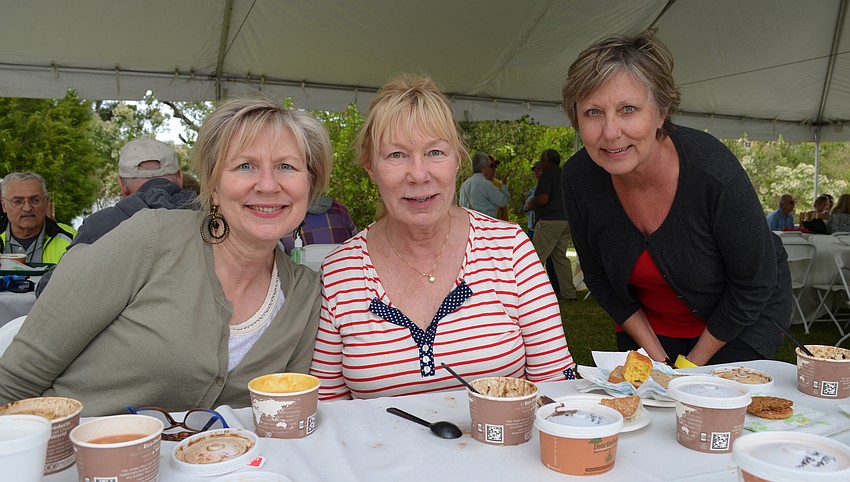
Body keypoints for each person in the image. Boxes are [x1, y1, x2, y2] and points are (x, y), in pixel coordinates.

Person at [0, 99, 333, 416]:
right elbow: (17, 377)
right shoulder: (152, 238)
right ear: (214, 186)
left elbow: (284, 417)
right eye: (245, 166)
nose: (267, 185)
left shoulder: (305, 294)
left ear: (309, 185)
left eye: (286, 167)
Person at [310, 74, 575, 401]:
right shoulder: (340, 272)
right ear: (370, 166)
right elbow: (326, 410)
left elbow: (557, 390)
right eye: (396, 155)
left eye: (435, 152)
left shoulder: (510, 249)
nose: (419, 174)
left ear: (457, 159)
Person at [561, 30, 791, 366]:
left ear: (661, 111)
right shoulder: (578, 179)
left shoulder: (713, 172)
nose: (610, 132)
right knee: (646, 410)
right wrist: (655, 357)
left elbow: (754, 284)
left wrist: (687, 370)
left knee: (709, 412)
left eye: (628, 109)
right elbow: (598, 278)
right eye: (593, 113)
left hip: (739, 320)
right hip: (647, 327)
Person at [35, 138, 197, 297]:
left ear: (121, 184)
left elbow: (48, 290)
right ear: (180, 177)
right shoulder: (213, 218)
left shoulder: (99, 226)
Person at [524, 149, 577, 300]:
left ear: (548, 161)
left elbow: (543, 199)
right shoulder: (564, 174)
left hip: (549, 221)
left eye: (542, 160)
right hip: (565, 221)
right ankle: (569, 293)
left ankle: (528, 295)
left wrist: (530, 203)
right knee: (560, 258)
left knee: (534, 258)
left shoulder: (547, 176)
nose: (541, 163)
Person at [0, 172, 75, 264]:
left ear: (46, 202)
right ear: (4, 205)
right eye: (18, 201)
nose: (27, 208)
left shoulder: (73, 240)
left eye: (35, 200)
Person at [280, 194, 358, 255]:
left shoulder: (282, 217)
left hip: (300, 274)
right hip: (342, 272)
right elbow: (356, 242)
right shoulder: (340, 210)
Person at [458, 151, 509, 218]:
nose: (491, 169)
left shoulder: (464, 186)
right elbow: (503, 201)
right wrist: (504, 185)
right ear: (483, 168)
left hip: (470, 225)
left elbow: (461, 208)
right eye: (489, 166)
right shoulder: (486, 185)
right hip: (485, 225)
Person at [487, 155, 510, 220]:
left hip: (495, 223)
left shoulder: (499, 185)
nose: (494, 169)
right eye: (491, 166)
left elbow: (504, 209)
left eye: (495, 166)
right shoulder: (475, 184)